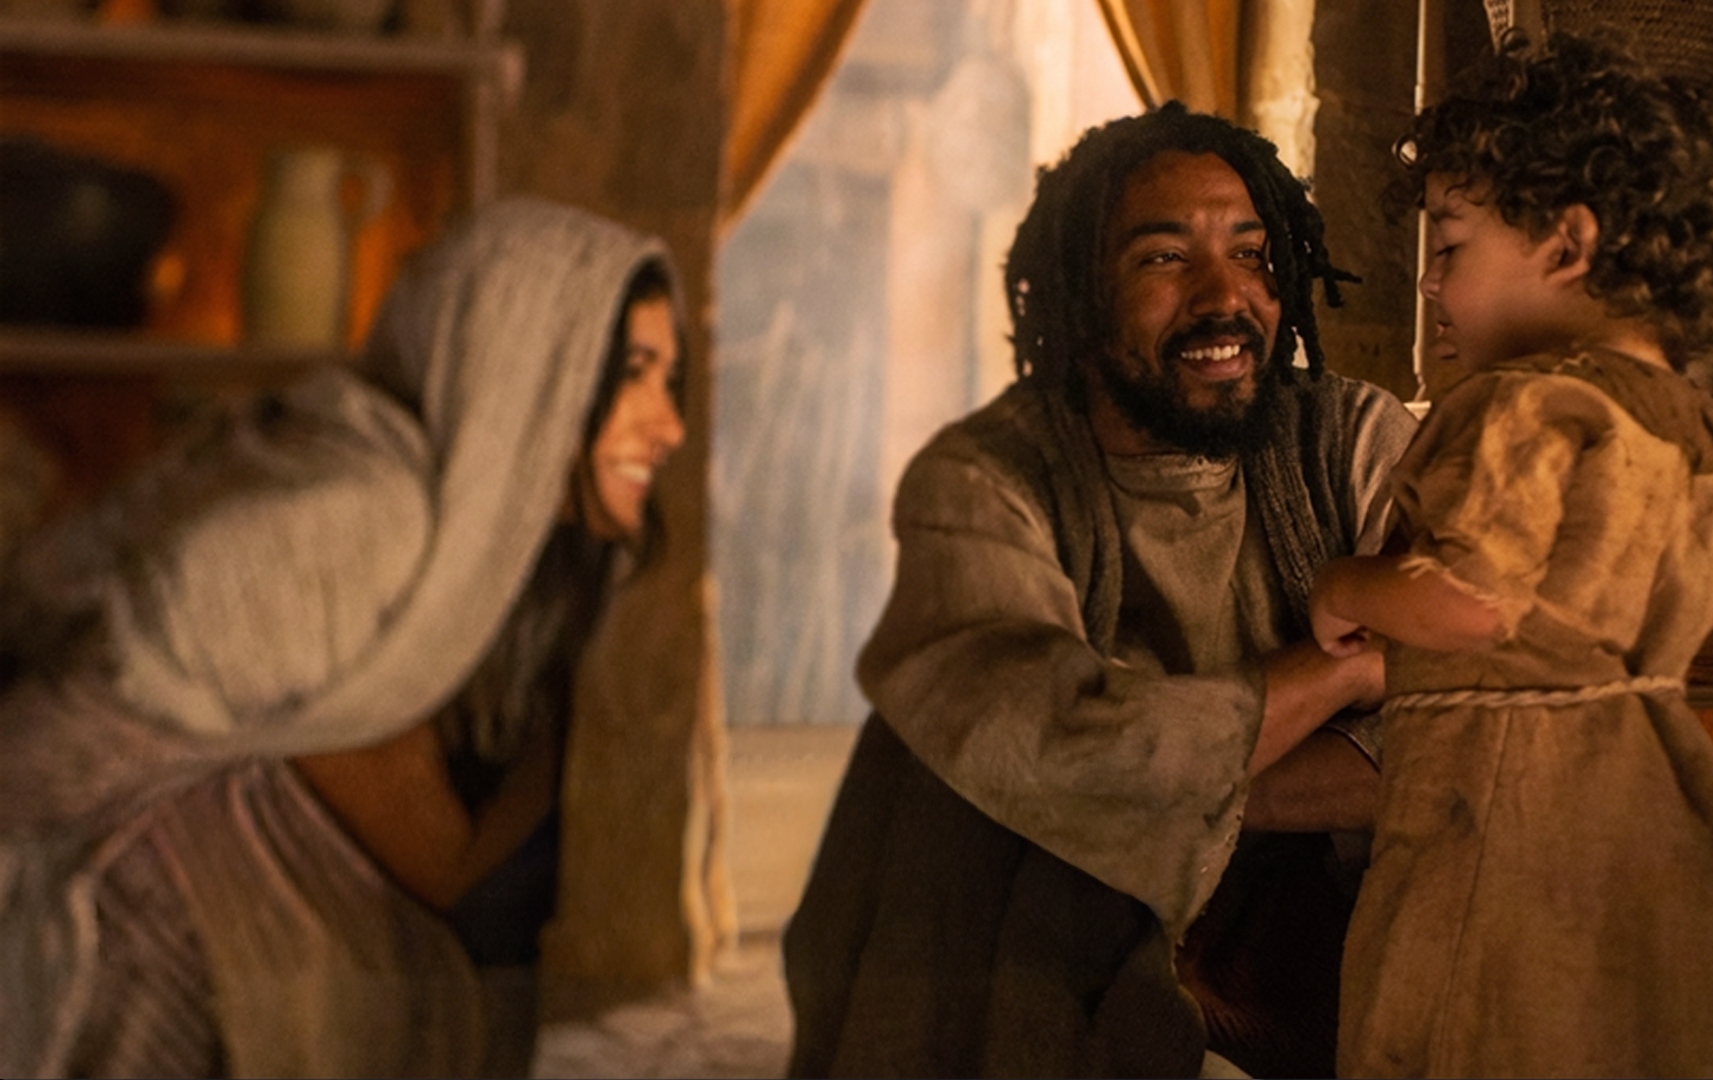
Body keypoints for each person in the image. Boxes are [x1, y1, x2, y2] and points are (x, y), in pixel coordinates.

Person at [783, 102, 1419, 1078]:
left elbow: (1448, 738)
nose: (1224, 296)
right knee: (950, 814)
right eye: (1164, 259)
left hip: (1305, 922)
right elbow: (1040, 752)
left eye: (1251, 255)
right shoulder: (987, 480)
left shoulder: (1356, 445)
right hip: (1051, 925)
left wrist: (1151, 788)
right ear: (1084, 294)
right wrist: (1339, 678)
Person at [0, 197, 692, 1077]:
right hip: (120, 928)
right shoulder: (369, 523)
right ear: (529, 361)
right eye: (633, 373)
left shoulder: (514, 567)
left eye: (669, 381)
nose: (666, 423)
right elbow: (43, 756)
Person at [1306, 32, 1713, 1078]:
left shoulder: (1528, 405)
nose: (1430, 285)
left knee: (1466, 1027)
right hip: (1650, 800)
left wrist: (1350, 588)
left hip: (1507, 815)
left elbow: (1472, 598)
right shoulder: (1694, 427)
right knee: (1617, 1029)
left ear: (1567, 245)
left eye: (1453, 247)